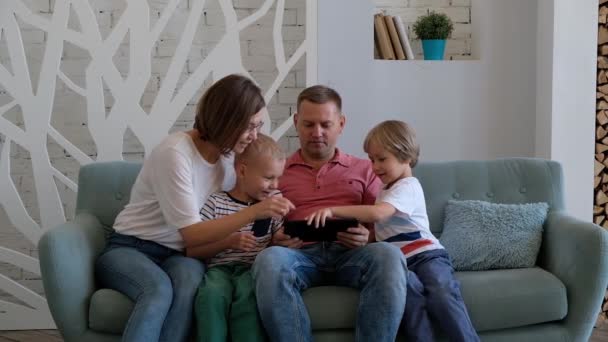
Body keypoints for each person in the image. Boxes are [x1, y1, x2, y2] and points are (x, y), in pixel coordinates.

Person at [94, 74, 294, 342]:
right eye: (249, 127)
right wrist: (255, 212)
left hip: (180, 255)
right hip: (131, 247)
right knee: (157, 290)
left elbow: (242, 201)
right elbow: (192, 234)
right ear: (226, 120)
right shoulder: (175, 154)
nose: (254, 136)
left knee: (191, 284)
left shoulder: (228, 158)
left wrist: (276, 230)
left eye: (258, 126)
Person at [252, 86, 408, 342]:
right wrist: (275, 239)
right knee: (269, 260)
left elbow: (385, 221)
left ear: (341, 123)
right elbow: (260, 222)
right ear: (296, 122)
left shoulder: (366, 169)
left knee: (389, 255)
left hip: (352, 255)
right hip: (300, 256)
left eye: (326, 124)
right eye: (308, 124)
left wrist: (367, 237)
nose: (317, 133)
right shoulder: (277, 171)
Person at [306, 120, 479, 342]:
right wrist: (361, 236)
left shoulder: (408, 186)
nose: (375, 167)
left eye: (382, 159)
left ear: (406, 156)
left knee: (442, 293)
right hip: (401, 263)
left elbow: (379, 214)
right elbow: (385, 233)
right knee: (410, 299)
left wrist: (333, 211)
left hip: (427, 257)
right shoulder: (386, 191)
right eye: (371, 159)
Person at [194, 134, 287, 342]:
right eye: (268, 177)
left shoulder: (273, 204)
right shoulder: (216, 203)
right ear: (242, 170)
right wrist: (228, 242)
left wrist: (285, 239)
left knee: (249, 296)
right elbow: (195, 250)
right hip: (220, 269)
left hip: (252, 270)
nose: (275, 185)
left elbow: (277, 239)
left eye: (278, 178)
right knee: (211, 295)